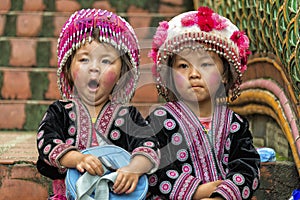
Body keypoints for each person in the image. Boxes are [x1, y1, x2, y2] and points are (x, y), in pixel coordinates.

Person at [36, 8, 160, 200]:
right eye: (84, 59)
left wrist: (135, 168)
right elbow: (46, 142)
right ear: (68, 67)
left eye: (106, 60)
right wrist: (77, 158)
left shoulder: (127, 115)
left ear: (121, 73)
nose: (94, 67)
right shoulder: (60, 111)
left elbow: (150, 145)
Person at [146, 6, 260, 200]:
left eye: (206, 64)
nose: (194, 74)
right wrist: (197, 192)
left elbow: (248, 166)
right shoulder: (159, 120)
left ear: (225, 74)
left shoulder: (235, 124)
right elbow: (152, 166)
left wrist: (221, 195)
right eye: (183, 65)